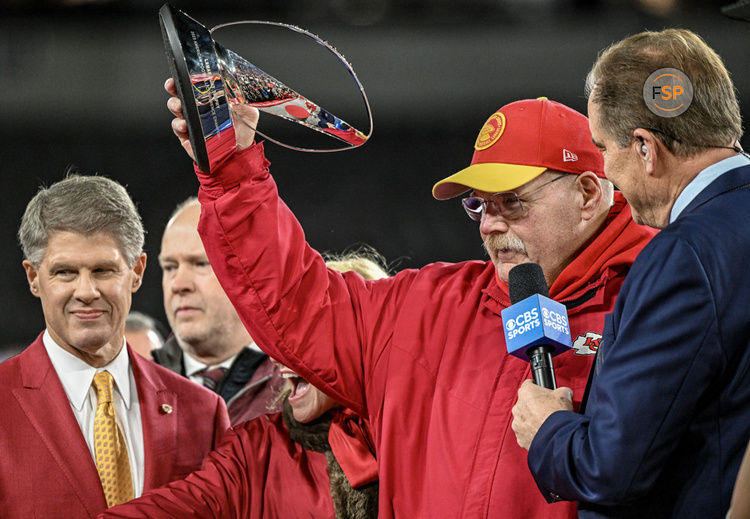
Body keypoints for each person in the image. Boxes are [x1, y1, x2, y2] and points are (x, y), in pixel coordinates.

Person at [164, 84, 657, 517]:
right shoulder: (430, 305)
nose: (490, 224)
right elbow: (298, 301)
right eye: (479, 205)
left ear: (589, 194)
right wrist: (232, 167)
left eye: (513, 202)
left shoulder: (657, 303)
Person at [511, 29, 750, 518]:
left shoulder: (683, 257)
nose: (607, 172)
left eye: (603, 148)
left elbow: (610, 470)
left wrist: (549, 430)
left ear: (645, 147)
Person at [0, 174, 230, 518]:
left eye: (103, 270)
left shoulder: (203, 414)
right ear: (34, 278)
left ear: (136, 271)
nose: (86, 291)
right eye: (65, 272)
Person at [99, 253, 385, 519]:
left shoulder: (418, 435)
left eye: (305, 337)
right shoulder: (254, 450)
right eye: (280, 336)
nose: (280, 354)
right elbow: (175, 507)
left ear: (359, 342)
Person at [153, 197, 282, 425]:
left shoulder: (298, 389)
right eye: (170, 267)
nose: (178, 284)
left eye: (201, 264)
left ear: (249, 271)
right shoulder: (137, 385)